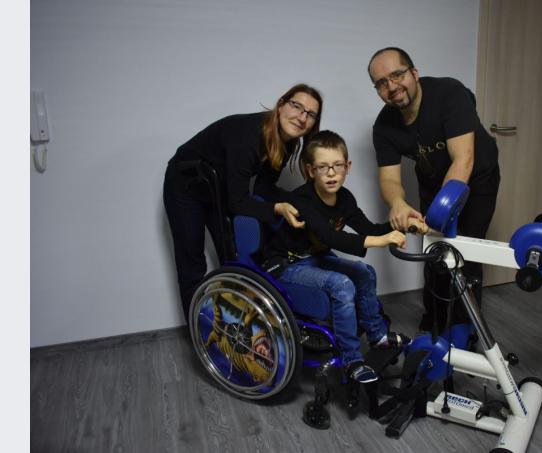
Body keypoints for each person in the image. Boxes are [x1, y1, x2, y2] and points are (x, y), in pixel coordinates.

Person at [265, 130, 422, 383]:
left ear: (347, 167)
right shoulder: (302, 199)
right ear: (310, 170)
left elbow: (369, 229)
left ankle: (378, 336)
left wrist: (401, 225)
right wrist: (383, 241)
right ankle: (351, 359)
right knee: (342, 284)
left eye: (337, 165)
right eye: (323, 166)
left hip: (316, 259)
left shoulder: (345, 198)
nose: (331, 173)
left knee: (365, 271)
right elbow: (331, 238)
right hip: (289, 265)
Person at [368, 47, 500, 340]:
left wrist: (440, 214)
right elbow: (389, 179)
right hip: (432, 178)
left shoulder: (448, 93)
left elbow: (463, 159)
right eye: (381, 83)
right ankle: (435, 320)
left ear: (414, 73)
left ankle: (467, 329)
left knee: (465, 252)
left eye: (397, 75)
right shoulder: (384, 126)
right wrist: (398, 203)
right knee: (434, 252)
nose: (391, 86)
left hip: (477, 176)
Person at [163, 84, 322, 318]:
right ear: (280, 105)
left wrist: (305, 204)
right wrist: (277, 208)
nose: (301, 117)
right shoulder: (249, 134)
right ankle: (201, 336)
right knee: (192, 263)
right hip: (186, 185)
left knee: (234, 257)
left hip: (218, 188)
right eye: (297, 106)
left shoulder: (288, 143)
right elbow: (239, 202)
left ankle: (236, 326)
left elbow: (264, 189)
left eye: (310, 114)